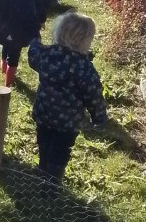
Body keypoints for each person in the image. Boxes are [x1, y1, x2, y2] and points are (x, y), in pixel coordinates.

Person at [27, 12, 108, 185]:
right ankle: (52, 182)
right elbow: (93, 95)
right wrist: (99, 116)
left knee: (44, 142)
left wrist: (34, 40)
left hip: (44, 112)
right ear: (84, 41)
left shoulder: (47, 55)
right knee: (60, 151)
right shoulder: (84, 68)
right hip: (67, 122)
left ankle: (42, 168)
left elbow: (33, 56)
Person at [0, 0, 51, 87]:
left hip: (6, 29)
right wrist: (41, 21)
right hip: (20, 33)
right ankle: (8, 84)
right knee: (13, 59)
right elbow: (41, 13)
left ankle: (3, 71)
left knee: (5, 50)